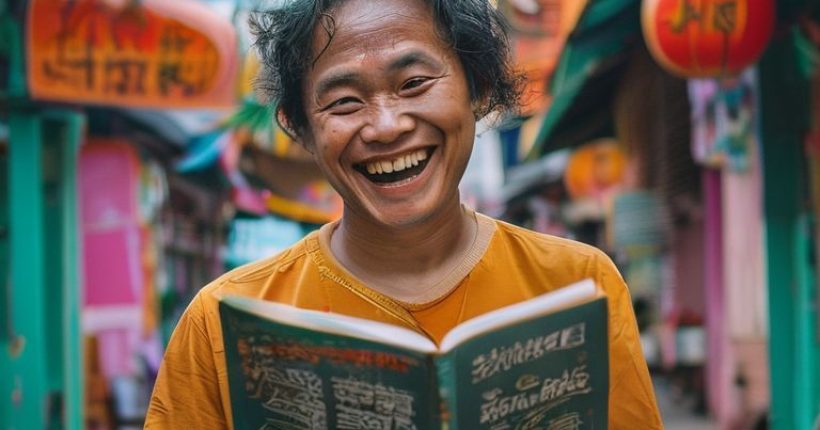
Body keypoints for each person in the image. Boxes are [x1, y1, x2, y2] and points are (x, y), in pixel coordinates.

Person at [145, 0, 663, 428]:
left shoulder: (578, 287)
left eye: (414, 83)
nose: (386, 126)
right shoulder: (222, 323)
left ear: (478, 89)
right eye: (344, 102)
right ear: (301, 129)